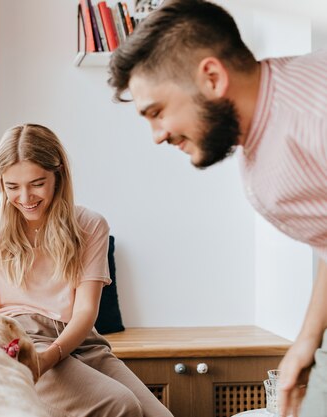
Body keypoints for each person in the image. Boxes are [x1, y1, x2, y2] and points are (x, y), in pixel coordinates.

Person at [107, 1, 327, 416]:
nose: (157, 135)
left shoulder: (314, 111)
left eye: (156, 112)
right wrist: (306, 341)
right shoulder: (261, 155)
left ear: (211, 76)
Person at [0, 123, 173, 417]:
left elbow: (85, 311)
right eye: (12, 187)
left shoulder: (91, 225)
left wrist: (51, 356)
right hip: (21, 340)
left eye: (37, 183)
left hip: (80, 340)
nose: (25, 197)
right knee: (120, 406)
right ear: (1, 182)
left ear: (58, 175)